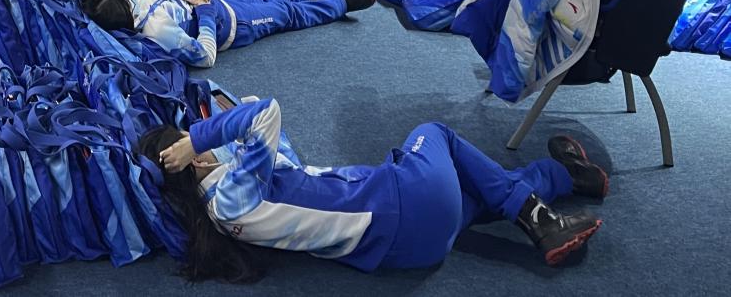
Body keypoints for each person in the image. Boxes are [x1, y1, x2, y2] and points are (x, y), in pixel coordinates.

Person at [138, 98, 608, 282]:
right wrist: (200, 136)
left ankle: (563, 175)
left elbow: (286, 161)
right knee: (435, 132)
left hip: (408, 246)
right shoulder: (231, 194)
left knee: (480, 189)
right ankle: (539, 217)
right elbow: (267, 113)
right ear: (194, 158)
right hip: (404, 201)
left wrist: (231, 124)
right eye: (195, 140)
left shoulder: (230, 206)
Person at [79, 0, 375, 68]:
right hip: (232, 24)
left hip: (217, 1)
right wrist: (206, 16)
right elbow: (205, 57)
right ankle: (342, 3)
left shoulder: (128, 3)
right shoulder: (158, 31)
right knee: (285, 13)